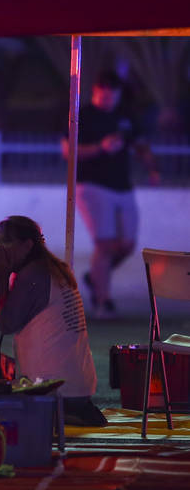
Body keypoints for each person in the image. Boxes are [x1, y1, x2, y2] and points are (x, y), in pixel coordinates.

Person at [0, 215, 107, 427]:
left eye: (6, 243)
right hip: (79, 388)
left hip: (51, 389)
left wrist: (0, 278)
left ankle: (55, 415)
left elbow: (6, 324)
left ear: (27, 245)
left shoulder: (32, 275)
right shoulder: (55, 268)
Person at [62, 70, 160, 318]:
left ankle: (95, 278)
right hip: (92, 185)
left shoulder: (125, 116)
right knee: (104, 244)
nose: (107, 98)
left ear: (117, 94)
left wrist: (152, 168)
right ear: (95, 91)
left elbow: (140, 144)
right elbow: (67, 151)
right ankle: (103, 301)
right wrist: (100, 148)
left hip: (123, 186)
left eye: (111, 94)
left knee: (126, 245)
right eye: (102, 93)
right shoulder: (83, 115)